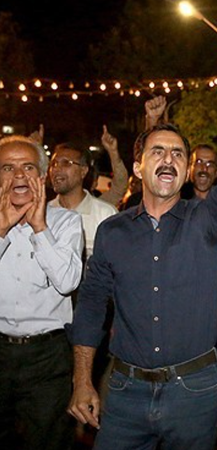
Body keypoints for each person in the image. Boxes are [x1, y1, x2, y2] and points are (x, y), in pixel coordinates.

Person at [66, 60, 217, 450]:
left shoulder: (206, 221)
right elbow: (91, 306)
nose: (168, 159)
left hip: (194, 393)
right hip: (126, 391)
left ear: (185, 173)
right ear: (138, 168)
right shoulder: (112, 232)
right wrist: (82, 380)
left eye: (178, 154)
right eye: (158, 152)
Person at [0, 135, 84, 450]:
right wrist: (2, 229)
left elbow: (67, 282)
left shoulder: (65, 222)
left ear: (41, 176)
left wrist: (39, 227)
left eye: (28, 167)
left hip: (48, 356)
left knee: (50, 441)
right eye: (7, 168)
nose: (18, 175)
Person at [49, 142, 118, 260]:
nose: (57, 169)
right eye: (54, 164)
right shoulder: (43, 216)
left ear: (83, 171)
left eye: (66, 163)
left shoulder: (105, 214)